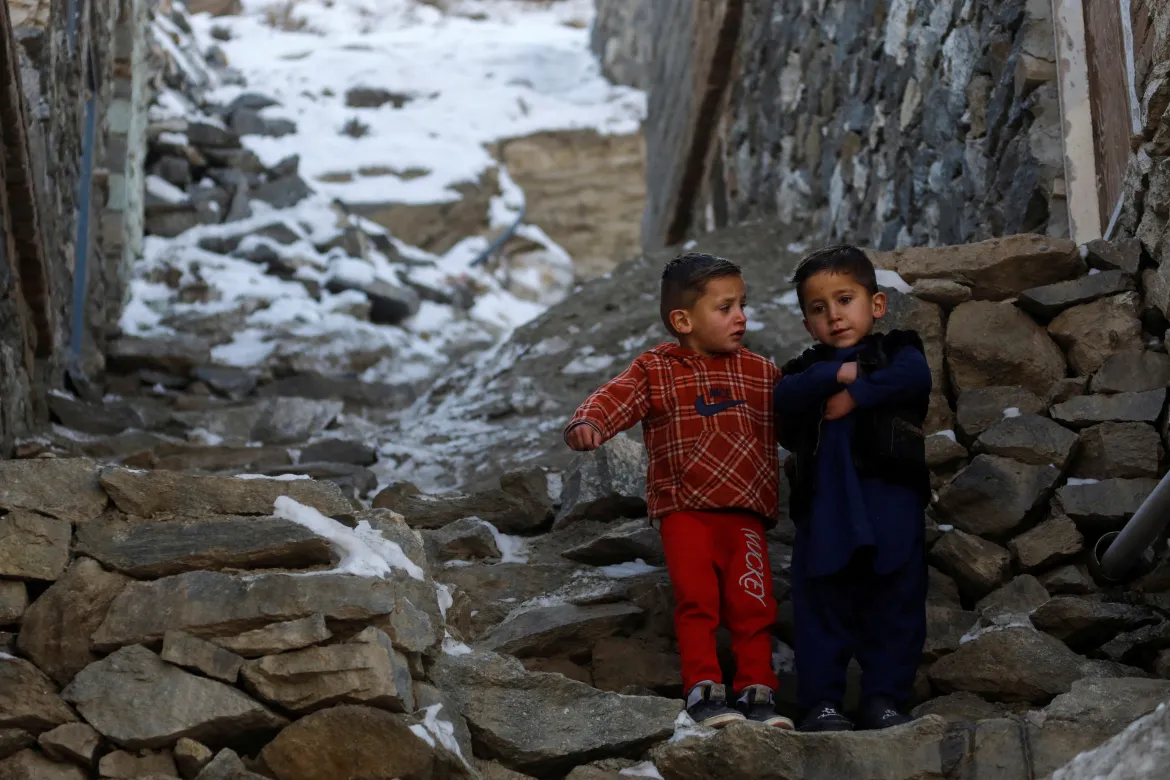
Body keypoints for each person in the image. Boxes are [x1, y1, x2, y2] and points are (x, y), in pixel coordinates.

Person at [564, 252, 792, 729]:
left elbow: (799, 413)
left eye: (742, 304)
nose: (741, 317)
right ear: (683, 320)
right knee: (697, 600)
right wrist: (590, 421)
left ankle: (758, 690)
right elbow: (614, 396)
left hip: (746, 512)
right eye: (725, 307)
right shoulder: (657, 369)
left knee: (754, 602)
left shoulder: (761, 373)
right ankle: (703, 690)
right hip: (685, 509)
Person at [773, 244, 932, 732]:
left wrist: (856, 393)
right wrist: (836, 374)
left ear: (876, 305)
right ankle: (821, 702)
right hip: (825, 514)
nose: (834, 316)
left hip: (891, 507)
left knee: (896, 603)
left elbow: (914, 377)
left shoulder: (898, 350)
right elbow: (781, 398)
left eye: (845, 300)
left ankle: (884, 698)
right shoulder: (805, 370)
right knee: (821, 608)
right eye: (818, 309)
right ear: (807, 324)